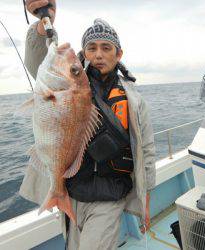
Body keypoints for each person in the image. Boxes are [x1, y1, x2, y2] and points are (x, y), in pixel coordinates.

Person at [19, 1, 156, 249]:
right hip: (73, 191)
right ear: (84, 52)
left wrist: (146, 199)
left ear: (119, 53)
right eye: (91, 48)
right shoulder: (75, 84)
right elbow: (41, 58)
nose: (99, 54)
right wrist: (44, 23)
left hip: (110, 195)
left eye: (106, 47)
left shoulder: (134, 100)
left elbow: (146, 149)